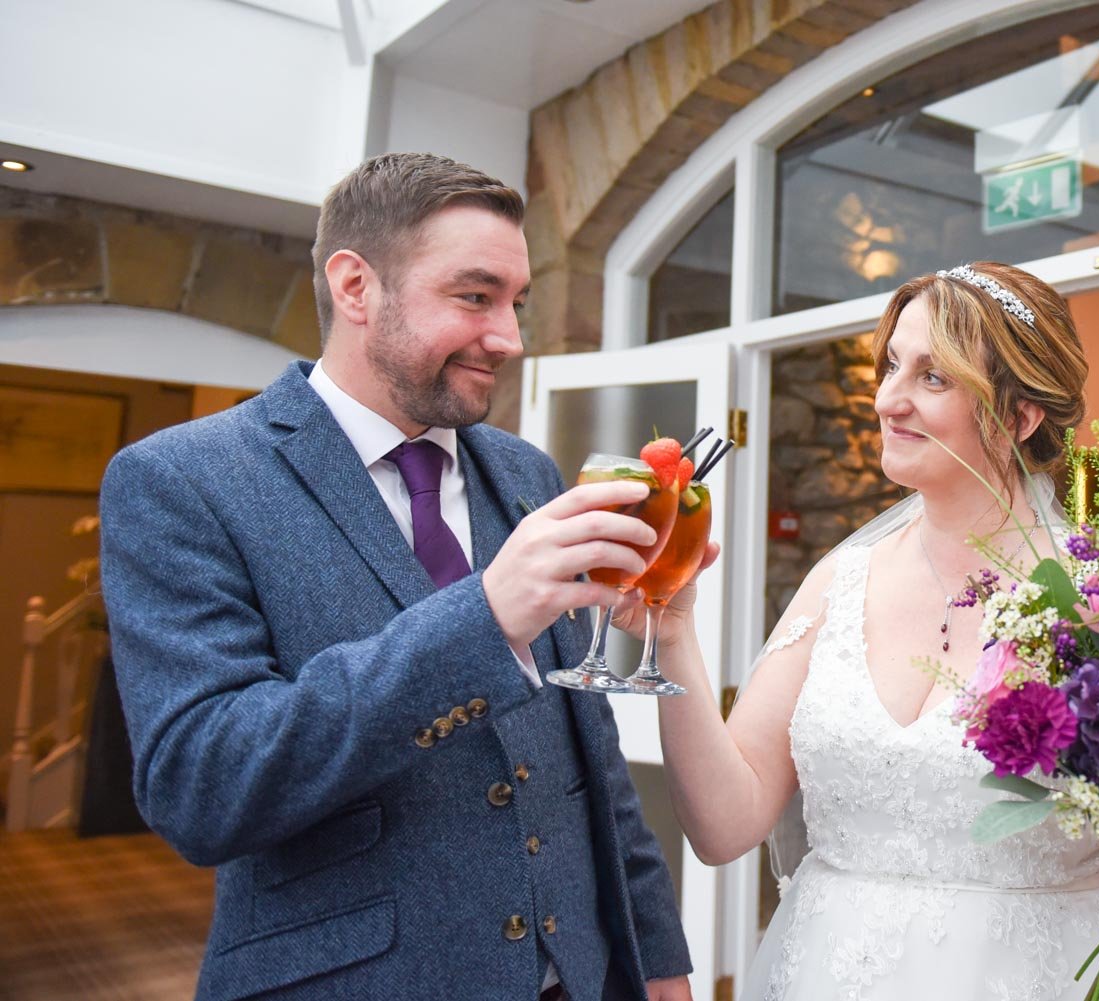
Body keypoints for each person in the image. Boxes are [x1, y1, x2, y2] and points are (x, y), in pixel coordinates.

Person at [99, 153, 692, 1001]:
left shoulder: (526, 471)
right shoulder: (181, 481)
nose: (511, 338)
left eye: (516, 303)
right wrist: (481, 622)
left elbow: (587, 756)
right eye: (475, 296)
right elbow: (202, 786)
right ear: (354, 287)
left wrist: (656, 956)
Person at [613, 262, 1099, 998]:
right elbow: (722, 826)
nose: (888, 399)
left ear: (1022, 415)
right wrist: (672, 632)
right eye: (893, 366)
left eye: (934, 377)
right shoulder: (837, 584)